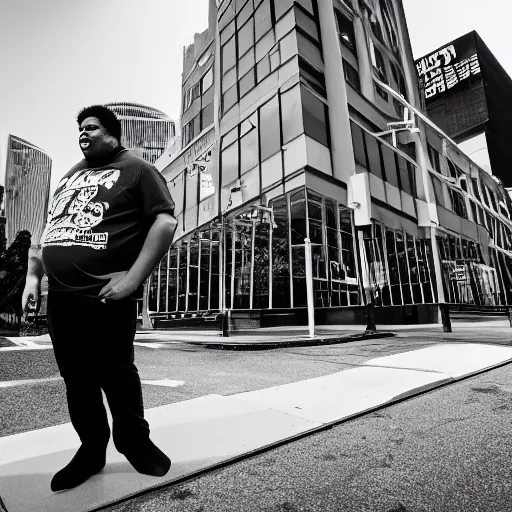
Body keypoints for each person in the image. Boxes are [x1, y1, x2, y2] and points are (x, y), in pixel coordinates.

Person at [21, 105, 177, 492]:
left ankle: (133, 440)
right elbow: (50, 227)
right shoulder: (70, 176)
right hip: (61, 297)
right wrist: (32, 277)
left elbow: (165, 221)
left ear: (112, 133)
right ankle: (92, 449)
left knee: (116, 373)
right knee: (77, 379)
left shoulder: (138, 168)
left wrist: (133, 278)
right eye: (79, 129)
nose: (83, 134)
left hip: (105, 295)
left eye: (91, 127)